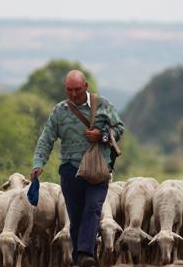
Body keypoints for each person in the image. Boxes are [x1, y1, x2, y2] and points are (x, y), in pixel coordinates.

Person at [31, 70, 125, 267]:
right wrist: (38, 164)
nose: (73, 94)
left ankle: (84, 253)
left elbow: (119, 128)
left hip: (98, 169)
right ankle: (82, 260)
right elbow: (46, 138)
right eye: (69, 90)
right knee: (75, 216)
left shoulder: (103, 105)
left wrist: (102, 136)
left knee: (93, 207)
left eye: (77, 89)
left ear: (86, 87)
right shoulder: (59, 111)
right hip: (70, 170)